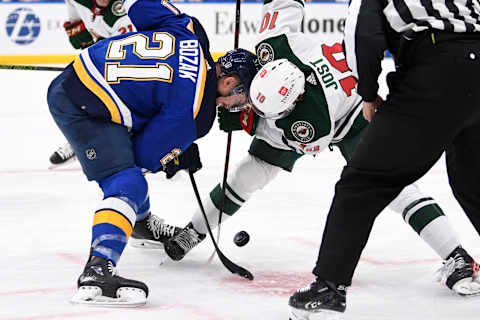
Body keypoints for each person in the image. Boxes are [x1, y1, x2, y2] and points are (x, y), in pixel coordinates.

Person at [164, 0, 478, 305]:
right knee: (246, 176)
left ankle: (458, 256)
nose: (228, 104)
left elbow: (293, 137)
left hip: (351, 116)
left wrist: (246, 121)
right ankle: (194, 231)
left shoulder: (306, 121)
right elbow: (284, 5)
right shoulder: (272, 42)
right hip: (343, 94)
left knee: (395, 188)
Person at [47, 0, 257, 306]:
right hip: (82, 107)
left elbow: (139, 9)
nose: (239, 105)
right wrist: (173, 149)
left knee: (129, 168)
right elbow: (142, 157)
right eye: (242, 96)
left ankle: (140, 223)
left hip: (81, 73)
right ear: (228, 81)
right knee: (128, 182)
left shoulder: (191, 31)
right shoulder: (194, 117)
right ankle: (97, 272)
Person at [287, 0, 480, 317]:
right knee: (474, 184)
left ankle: (329, 285)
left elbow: (364, 32)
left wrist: (367, 92)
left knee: (362, 181)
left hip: (437, 69)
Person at [49, 0, 136, 166]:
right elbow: (79, 36)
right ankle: (80, 140)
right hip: (103, 56)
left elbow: (129, 58)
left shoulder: (123, 13)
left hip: (129, 67)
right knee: (68, 93)